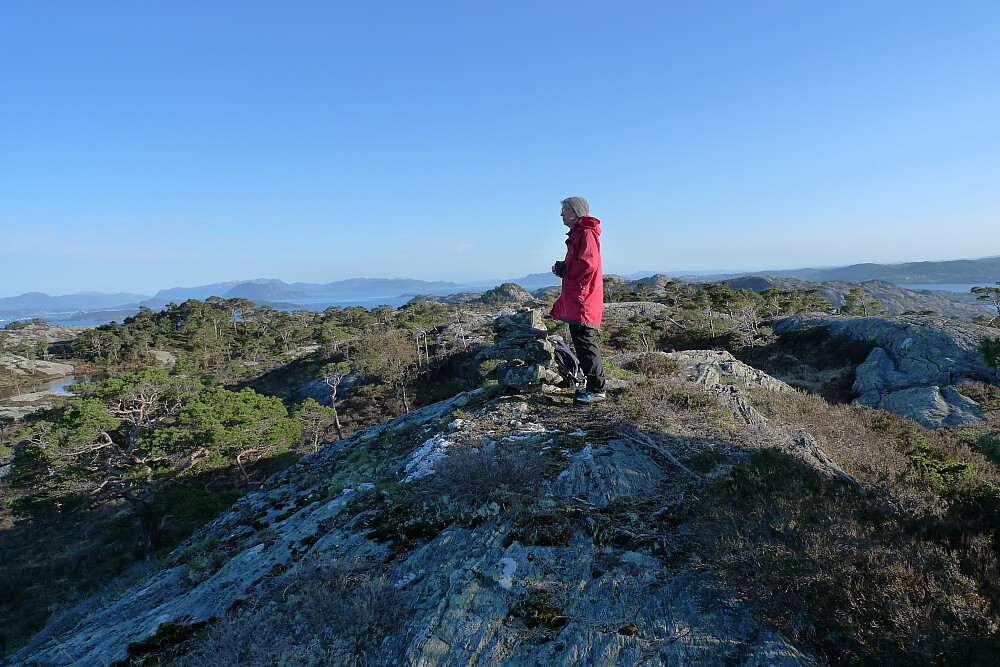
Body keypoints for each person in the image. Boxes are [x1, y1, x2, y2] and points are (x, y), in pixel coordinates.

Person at [550, 196, 607, 406]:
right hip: (579, 298)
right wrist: (563, 268)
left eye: (565, 209)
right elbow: (580, 264)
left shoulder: (586, 233)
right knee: (583, 342)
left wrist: (566, 268)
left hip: (583, 299)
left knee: (585, 342)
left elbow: (587, 264)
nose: (562, 214)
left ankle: (597, 389)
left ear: (576, 212)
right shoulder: (580, 233)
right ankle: (594, 387)